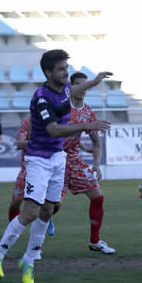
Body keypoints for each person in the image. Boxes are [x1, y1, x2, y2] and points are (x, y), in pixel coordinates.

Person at [0, 49, 111, 283]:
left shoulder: (64, 88)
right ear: (48, 73)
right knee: (31, 212)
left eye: (67, 68)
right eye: (61, 69)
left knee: (49, 209)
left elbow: (72, 90)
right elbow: (53, 130)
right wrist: (87, 124)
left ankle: (29, 260)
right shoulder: (42, 98)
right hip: (39, 160)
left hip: (58, 158)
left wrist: (95, 81)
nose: (66, 72)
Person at [58, 71, 115, 254]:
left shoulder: (89, 112)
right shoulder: (61, 107)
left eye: (87, 84)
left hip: (73, 159)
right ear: (71, 87)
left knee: (98, 197)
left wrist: (96, 164)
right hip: (55, 158)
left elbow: (97, 142)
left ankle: (95, 241)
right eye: (80, 84)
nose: (84, 88)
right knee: (52, 207)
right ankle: (36, 248)